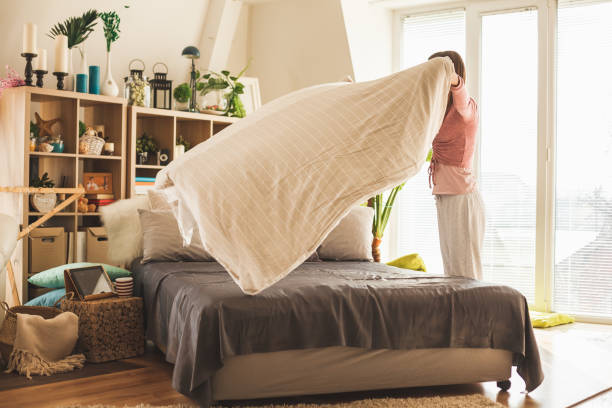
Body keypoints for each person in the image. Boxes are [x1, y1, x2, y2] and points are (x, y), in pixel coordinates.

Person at [428, 51, 484, 280]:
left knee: (466, 270)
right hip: (445, 196)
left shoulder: (465, 109)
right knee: (452, 270)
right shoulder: (438, 111)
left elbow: (459, 89)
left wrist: (448, 75)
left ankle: (476, 316)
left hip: (462, 198)